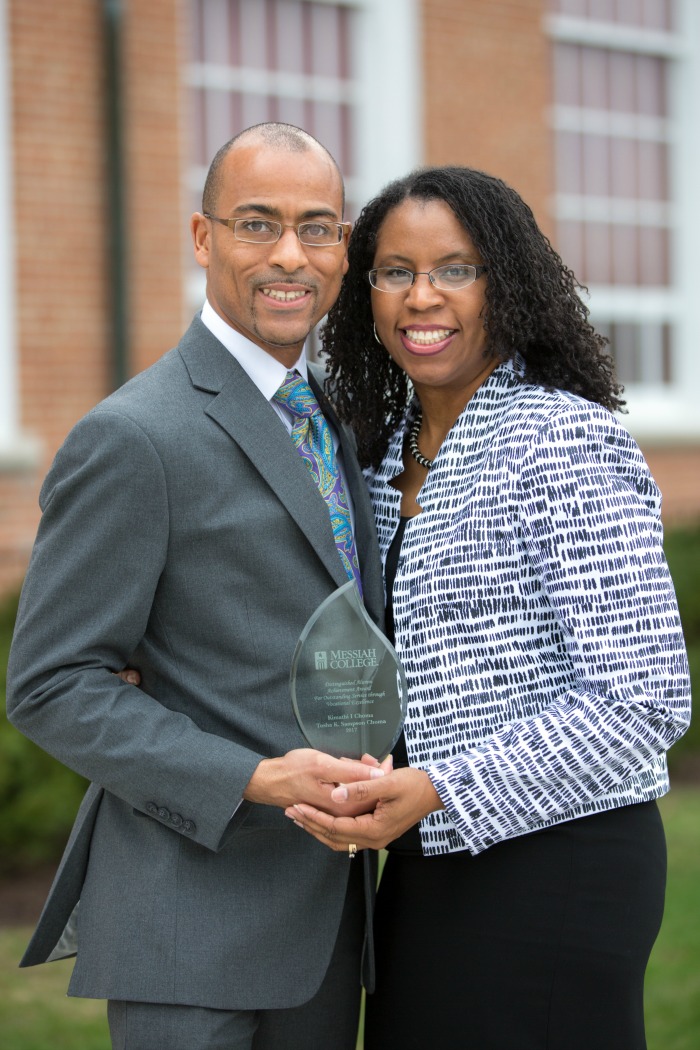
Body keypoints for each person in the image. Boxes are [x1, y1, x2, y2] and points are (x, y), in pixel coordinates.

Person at [285, 165, 692, 1050]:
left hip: (559, 860)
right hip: (428, 858)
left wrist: (438, 789)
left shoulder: (565, 440)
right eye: (394, 272)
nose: (420, 298)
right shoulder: (378, 456)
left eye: (455, 269)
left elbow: (645, 698)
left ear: (504, 285)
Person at [6, 123, 388, 1050]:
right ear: (203, 236)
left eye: (317, 227)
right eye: (257, 223)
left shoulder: (338, 413)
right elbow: (51, 684)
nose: (289, 254)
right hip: (192, 930)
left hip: (329, 919)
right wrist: (254, 778)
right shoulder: (136, 436)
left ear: (343, 248)